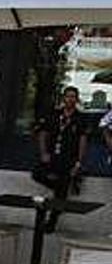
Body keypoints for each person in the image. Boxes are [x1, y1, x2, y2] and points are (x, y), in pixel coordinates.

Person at [34, 86, 87, 232]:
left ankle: (51, 223)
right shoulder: (53, 115)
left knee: (61, 195)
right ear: (63, 98)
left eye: (73, 97)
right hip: (52, 156)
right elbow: (42, 133)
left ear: (77, 99)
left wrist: (78, 162)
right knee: (37, 173)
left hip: (67, 158)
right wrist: (43, 152)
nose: (70, 99)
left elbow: (82, 140)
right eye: (68, 96)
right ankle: (59, 186)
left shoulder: (80, 118)